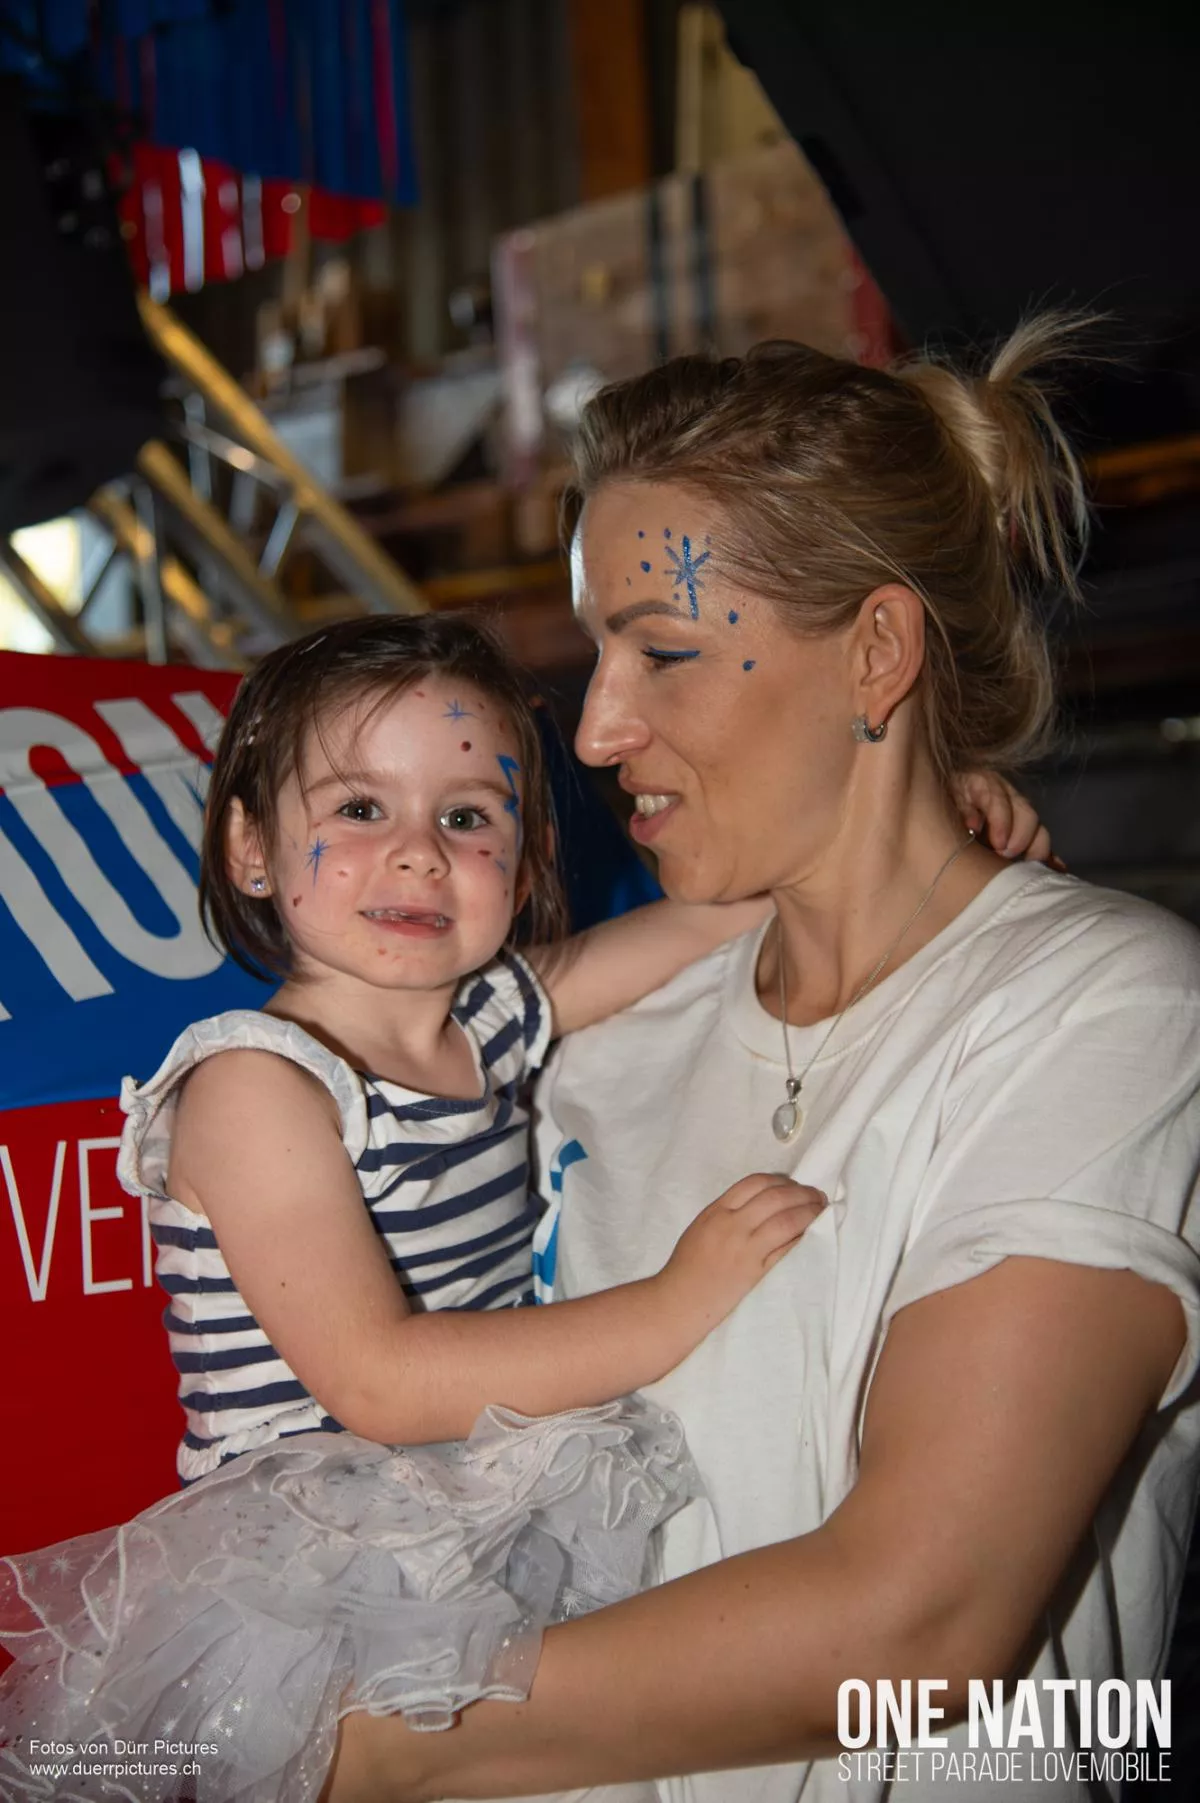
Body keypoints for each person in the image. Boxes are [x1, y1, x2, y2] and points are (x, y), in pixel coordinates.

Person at [322, 318, 1200, 1803]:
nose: (596, 729)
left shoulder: (1104, 1011)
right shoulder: (603, 1047)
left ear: (877, 651)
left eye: (661, 652)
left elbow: (918, 1621)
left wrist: (372, 1745)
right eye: (599, 652)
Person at [0, 612, 829, 1802]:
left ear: (527, 862)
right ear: (250, 848)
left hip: (482, 1506)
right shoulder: (257, 1086)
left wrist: (905, 831)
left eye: (467, 817)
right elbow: (380, 1383)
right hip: (320, 1579)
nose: (417, 854)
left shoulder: (492, 1018)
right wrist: (674, 1304)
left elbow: (720, 918)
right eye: (357, 807)